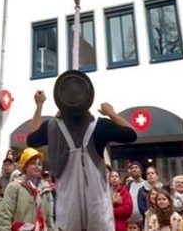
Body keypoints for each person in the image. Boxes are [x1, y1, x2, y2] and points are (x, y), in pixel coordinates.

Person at [26, 77, 138, 231]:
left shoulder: (51, 127)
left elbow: (30, 139)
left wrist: (39, 106)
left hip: (67, 211)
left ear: (61, 101)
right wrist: (111, 112)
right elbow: (131, 134)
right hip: (97, 211)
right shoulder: (100, 126)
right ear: (88, 99)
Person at [0, 148, 53, 231]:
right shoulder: (14, 187)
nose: (37, 166)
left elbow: (49, 220)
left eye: (39, 164)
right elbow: (5, 216)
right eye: (33, 163)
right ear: (25, 166)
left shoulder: (46, 190)